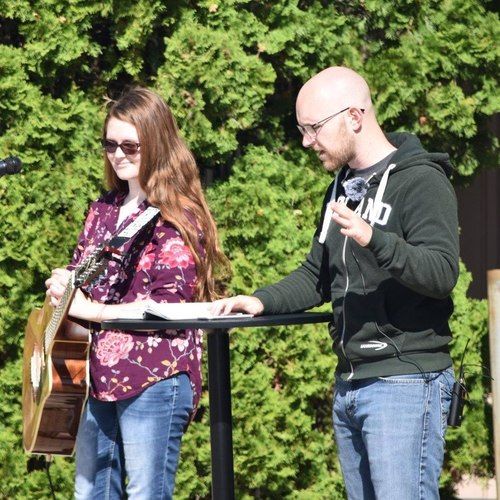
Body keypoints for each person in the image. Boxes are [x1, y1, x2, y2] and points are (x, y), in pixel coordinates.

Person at [211, 66, 459, 499]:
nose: (307, 141)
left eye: (314, 128)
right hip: (350, 383)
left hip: (405, 382)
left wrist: (374, 238)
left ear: (354, 117)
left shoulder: (421, 180)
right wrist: (260, 301)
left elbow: (441, 273)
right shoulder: (341, 187)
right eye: (302, 130)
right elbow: (317, 275)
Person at [46, 87, 226, 499]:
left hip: (155, 375)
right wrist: (64, 284)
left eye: (130, 145)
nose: (117, 154)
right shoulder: (104, 209)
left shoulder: (178, 215)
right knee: (90, 495)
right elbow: (83, 274)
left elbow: (169, 305)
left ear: (157, 143)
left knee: (147, 494)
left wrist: (91, 310)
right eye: (110, 144)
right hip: (94, 376)